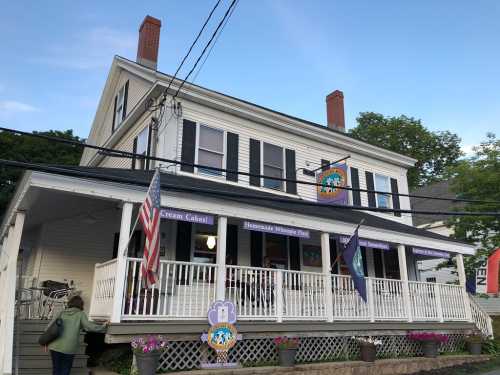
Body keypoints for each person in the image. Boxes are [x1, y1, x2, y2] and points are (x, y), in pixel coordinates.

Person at [45, 295, 108, 375]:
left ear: (70, 303)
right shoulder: (80, 314)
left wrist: (46, 342)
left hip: (54, 346)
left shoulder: (61, 312)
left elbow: (49, 327)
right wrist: (103, 327)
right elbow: (89, 327)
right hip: (69, 347)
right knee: (65, 370)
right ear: (81, 304)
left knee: (56, 369)